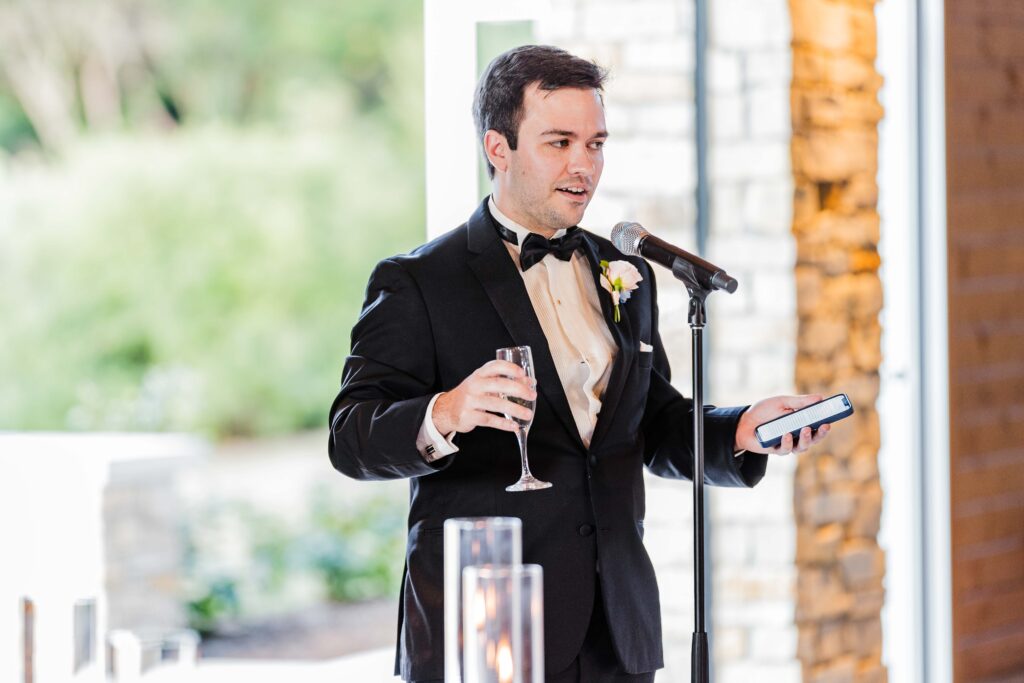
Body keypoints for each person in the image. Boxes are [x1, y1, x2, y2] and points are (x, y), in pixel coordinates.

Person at [328, 44, 829, 683]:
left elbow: (651, 424)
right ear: (497, 148)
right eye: (559, 142)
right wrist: (445, 412)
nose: (583, 166)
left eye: (595, 144)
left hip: (616, 633)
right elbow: (350, 437)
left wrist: (742, 429)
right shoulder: (418, 281)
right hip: (489, 629)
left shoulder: (628, 273)